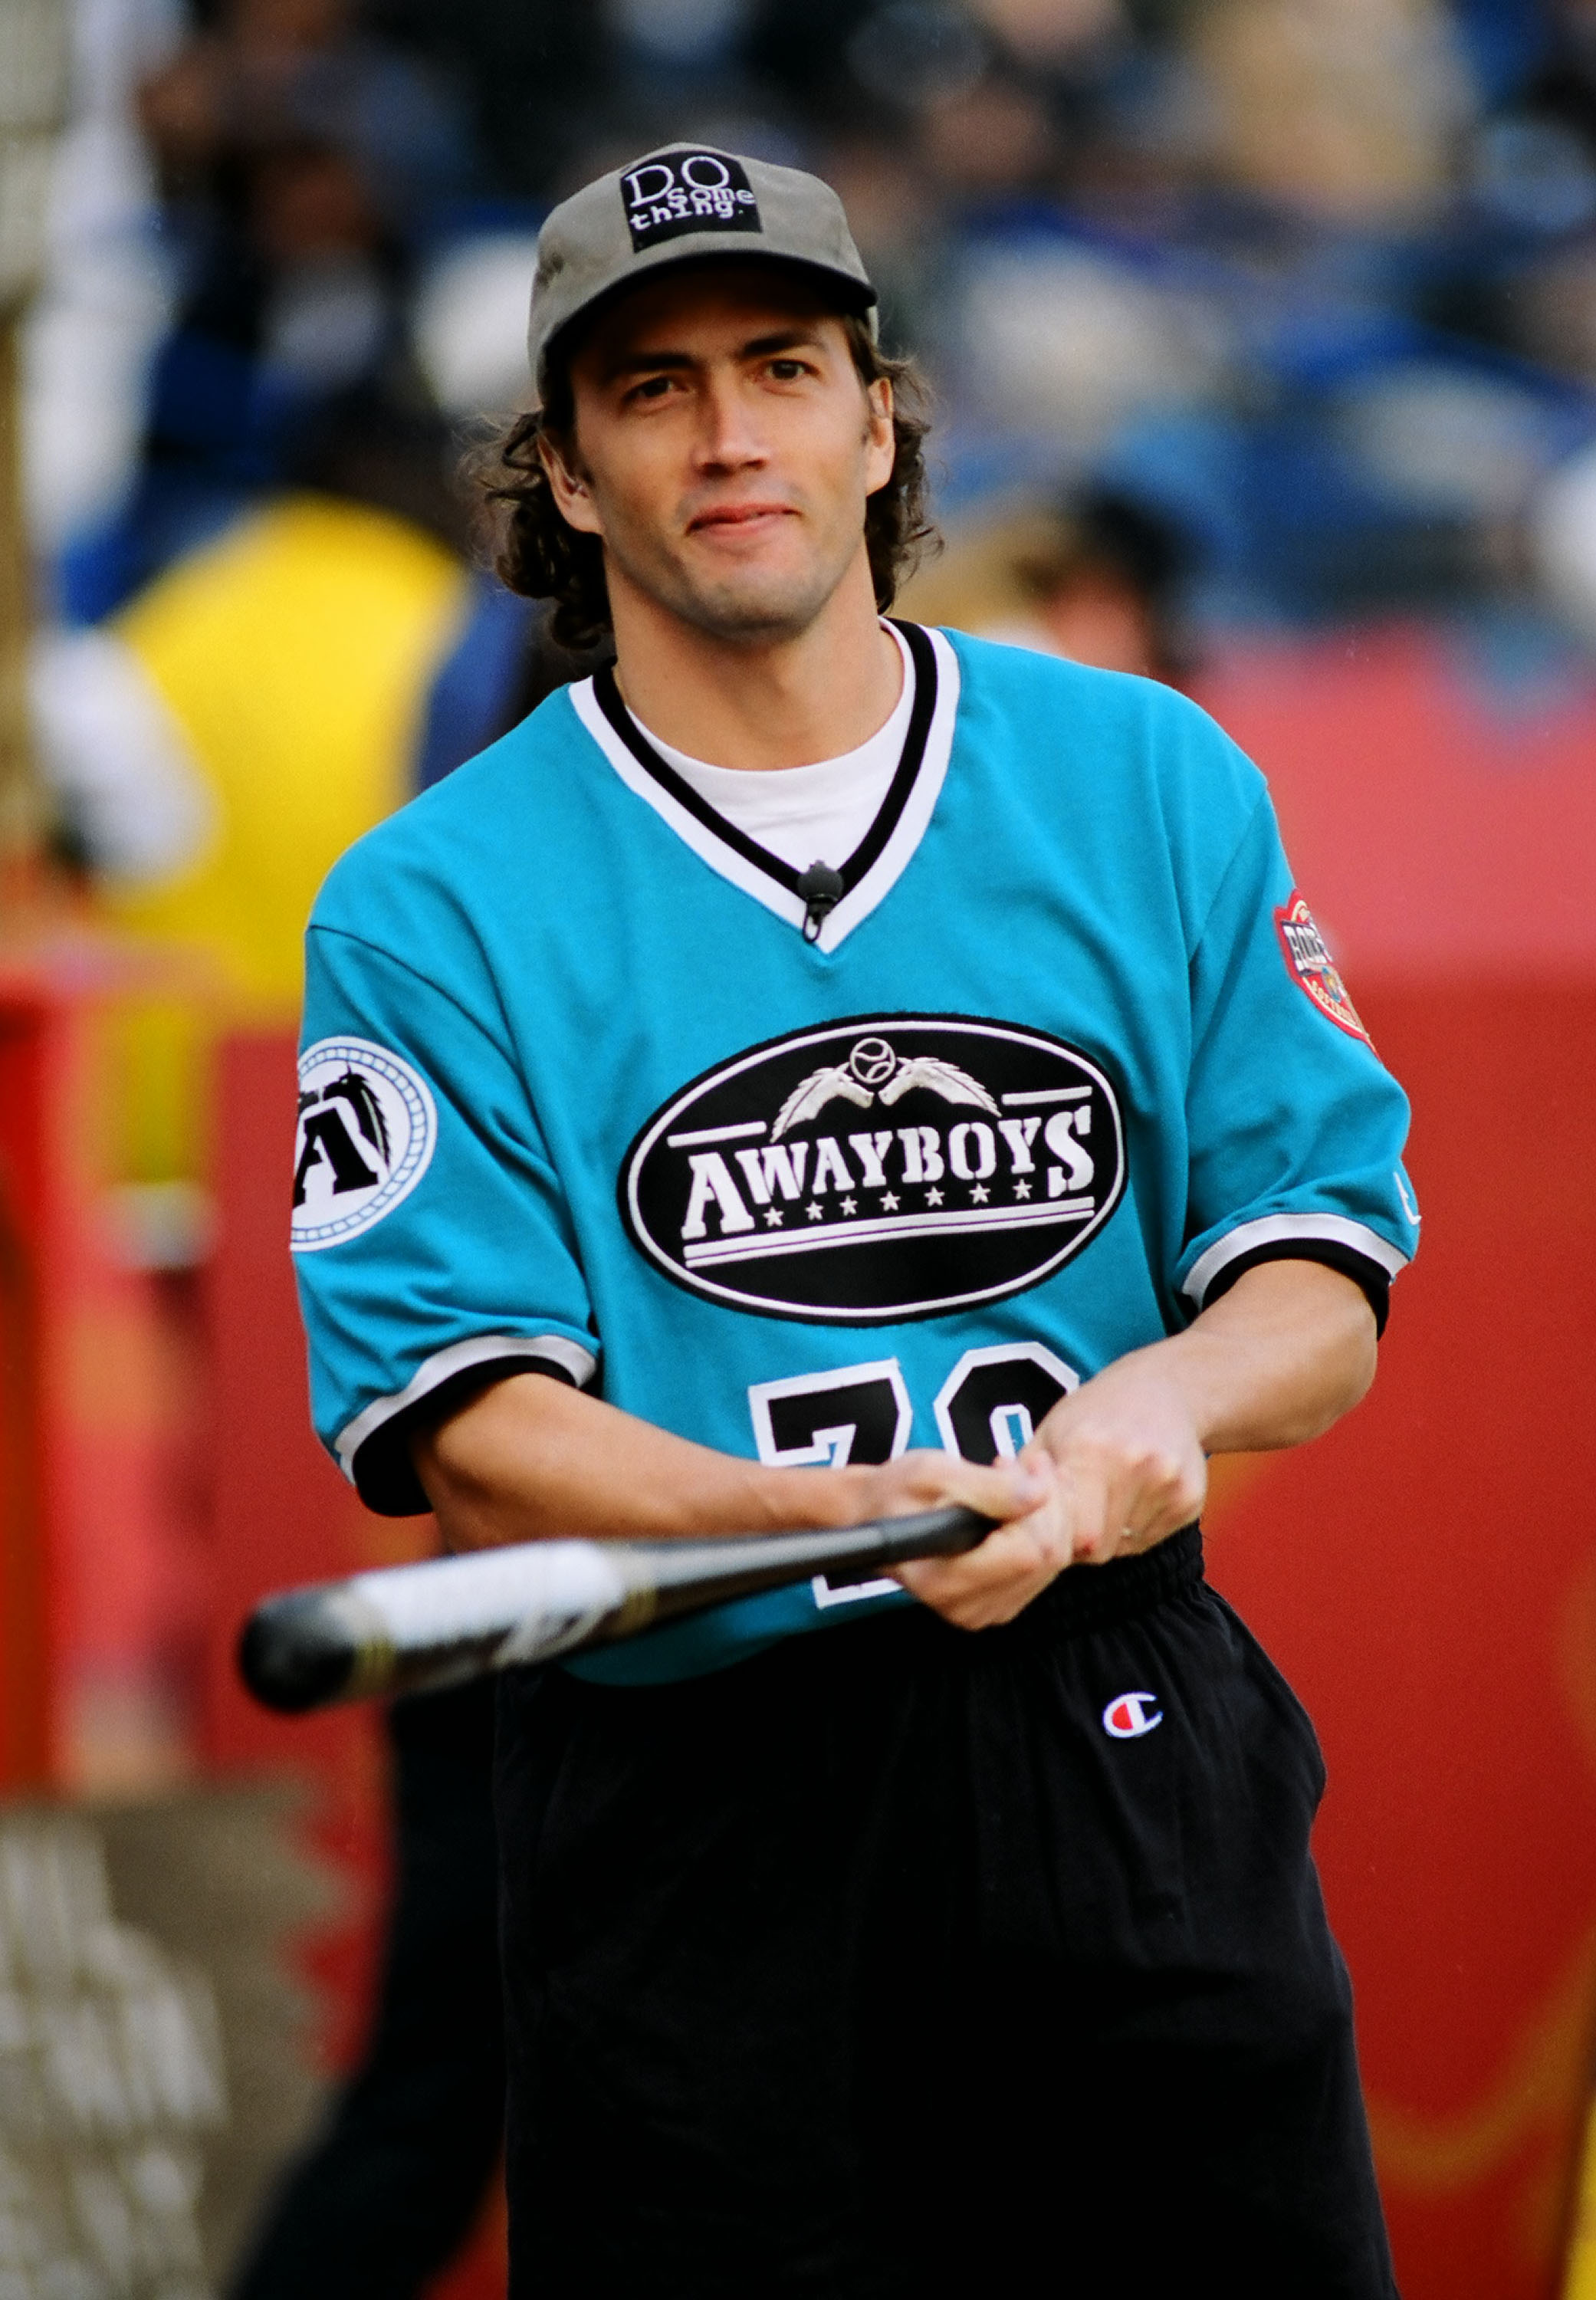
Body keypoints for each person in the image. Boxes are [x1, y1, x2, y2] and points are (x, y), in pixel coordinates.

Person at [289, 143, 1418, 2298]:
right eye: (653, 389)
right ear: (564, 471)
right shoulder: (433, 901)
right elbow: (467, 1416)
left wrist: (1146, 1423)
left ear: (877, 417)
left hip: (1116, 1726)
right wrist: (757, 1512)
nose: (731, 435)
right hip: (696, 1772)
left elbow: (1318, 1271)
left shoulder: (1147, 776)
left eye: (783, 366)